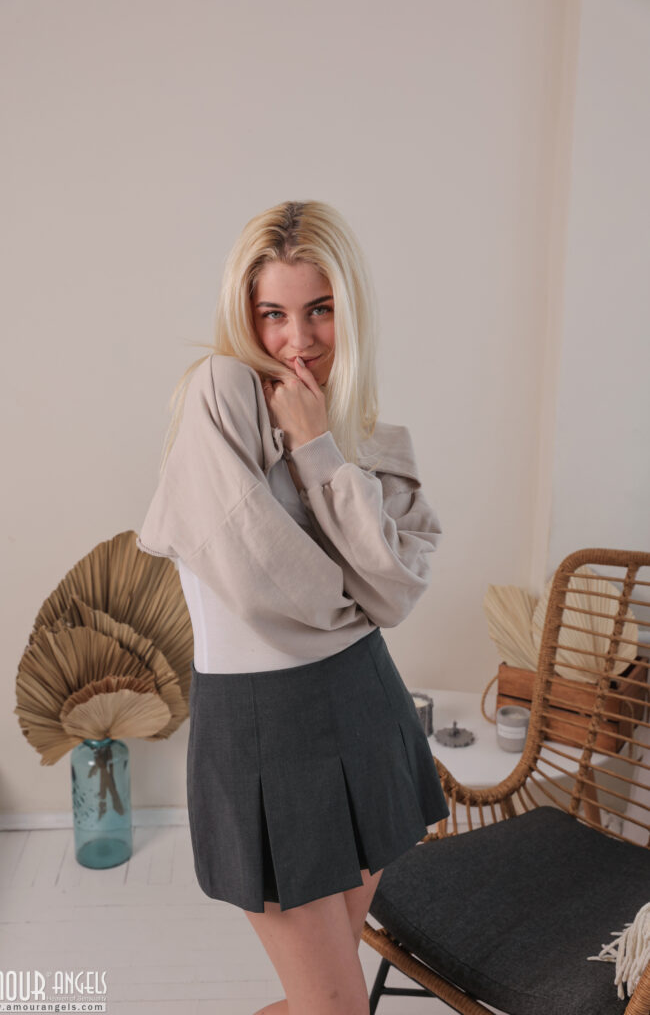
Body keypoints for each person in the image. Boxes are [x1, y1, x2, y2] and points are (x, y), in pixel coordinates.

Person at [136, 200, 449, 1015]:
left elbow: (395, 592)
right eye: (272, 313)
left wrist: (317, 448)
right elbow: (261, 581)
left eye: (320, 309)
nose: (297, 339)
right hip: (262, 727)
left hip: (366, 710)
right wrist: (361, 586)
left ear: (352, 309)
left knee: (324, 999)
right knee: (336, 1005)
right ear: (244, 313)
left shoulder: (371, 440)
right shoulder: (222, 390)